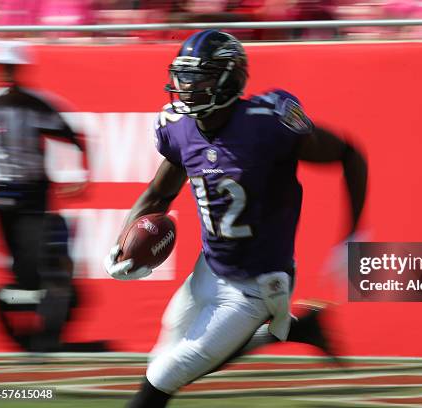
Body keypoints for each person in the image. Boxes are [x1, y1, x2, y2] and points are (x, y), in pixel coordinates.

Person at [103, 30, 367, 408]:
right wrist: (122, 242)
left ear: (230, 77)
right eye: (185, 75)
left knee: (163, 377)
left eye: (201, 76)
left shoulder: (267, 124)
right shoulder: (179, 127)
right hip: (209, 269)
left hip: (257, 284)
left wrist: (354, 233)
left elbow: (349, 154)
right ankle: (295, 330)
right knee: (163, 360)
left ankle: (283, 329)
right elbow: (159, 193)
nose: (188, 86)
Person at [0, 41, 105, 352]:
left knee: (40, 268)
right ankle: (33, 339)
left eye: (11, 67)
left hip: (31, 196)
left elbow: (74, 136)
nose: (6, 73)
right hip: (3, 197)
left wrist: (82, 176)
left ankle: (45, 339)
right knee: (22, 273)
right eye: (2, 67)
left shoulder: (35, 106)